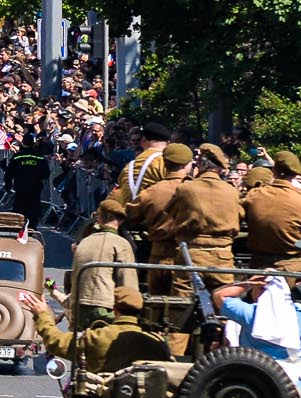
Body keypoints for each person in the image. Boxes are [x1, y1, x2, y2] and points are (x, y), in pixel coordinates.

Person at [23, 285, 170, 373]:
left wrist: (42, 314)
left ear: (114, 309)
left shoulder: (98, 337)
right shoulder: (156, 343)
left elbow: (56, 342)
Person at [168, 142, 244, 285]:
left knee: (182, 301)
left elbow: (171, 212)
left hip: (191, 255)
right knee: (224, 301)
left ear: (201, 164)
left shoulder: (185, 188)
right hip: (223, 256)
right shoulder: (232, 192)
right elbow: (240, 216)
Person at [240, 150, 301, 273]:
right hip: (291, 267)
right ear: (295, 174)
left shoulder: (254, 195)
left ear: (273, 172)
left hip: (259, 266)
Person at [67, 199, 139, 330]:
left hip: (78, 308)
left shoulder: (84, 242)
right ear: (120, 220)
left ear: (100, 219)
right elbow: (128, 284)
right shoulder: (121, 244)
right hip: (105, 308)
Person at [122, 142, 191, 266]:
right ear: (186, 164)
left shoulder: (150, 192)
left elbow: (127, 215)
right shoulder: (197, 190)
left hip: (159, 256)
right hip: (189, 256)